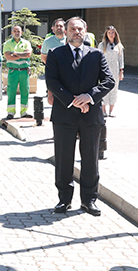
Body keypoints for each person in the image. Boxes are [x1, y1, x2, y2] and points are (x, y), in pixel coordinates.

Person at [46, 17, 114, 216]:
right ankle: (64, 199)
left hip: (91, 116)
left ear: (86, 31)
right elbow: (52, 81)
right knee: (63, 158)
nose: (76, 32)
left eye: (79, 29)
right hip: (64, 115)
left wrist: (89, 97)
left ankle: (89, 200)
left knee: (91, 159)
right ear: (65, 32)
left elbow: (108, 81)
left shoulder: (96, 55)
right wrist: (73, 101)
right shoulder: (55, 54)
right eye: (72, 29)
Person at [3, 25, 33, 120]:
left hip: (24, 71)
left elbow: (28, 54)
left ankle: (24, 112)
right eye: (15, 31)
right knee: (11, 91)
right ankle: (11, 112)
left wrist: (15, 53)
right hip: (13, 71)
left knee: (25, 91)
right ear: (12, 32)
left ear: (21, 33)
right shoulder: (7, 43)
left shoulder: (26, 43)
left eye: (18, 31)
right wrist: (22, 55)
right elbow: (8, 57)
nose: (17, 33)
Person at [98, 26, 123, 118]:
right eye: (109, 32)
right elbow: (98, 58)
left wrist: (121, 71)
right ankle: (103, 110)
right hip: (104, 70)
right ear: (106, 34)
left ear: (115, 34)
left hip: (115, 70)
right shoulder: (102, 45)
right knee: (104, 88)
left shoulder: (119, 46)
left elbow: (121, 60)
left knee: (114, 89)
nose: (111, 34)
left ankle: (111, 110)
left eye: (112, 32)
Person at [41, 18, 67, 107]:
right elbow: (44, 57)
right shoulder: (47, 42)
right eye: (57, 26)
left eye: (61, 26)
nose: (59, 28)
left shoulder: (69, 41)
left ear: (65, 28)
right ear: (53, 28)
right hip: (54, 73)